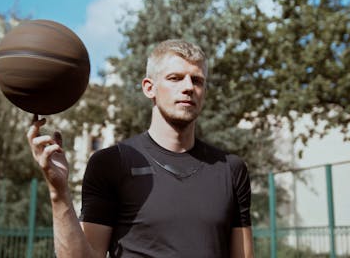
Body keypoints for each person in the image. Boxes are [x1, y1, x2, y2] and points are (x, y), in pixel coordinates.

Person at [27, 39, 254, 258]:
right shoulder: (111, 163)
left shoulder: (230, 169)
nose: (188, 87)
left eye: (197, 80)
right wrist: (59, 193)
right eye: (175, 78)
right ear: (149, 88)